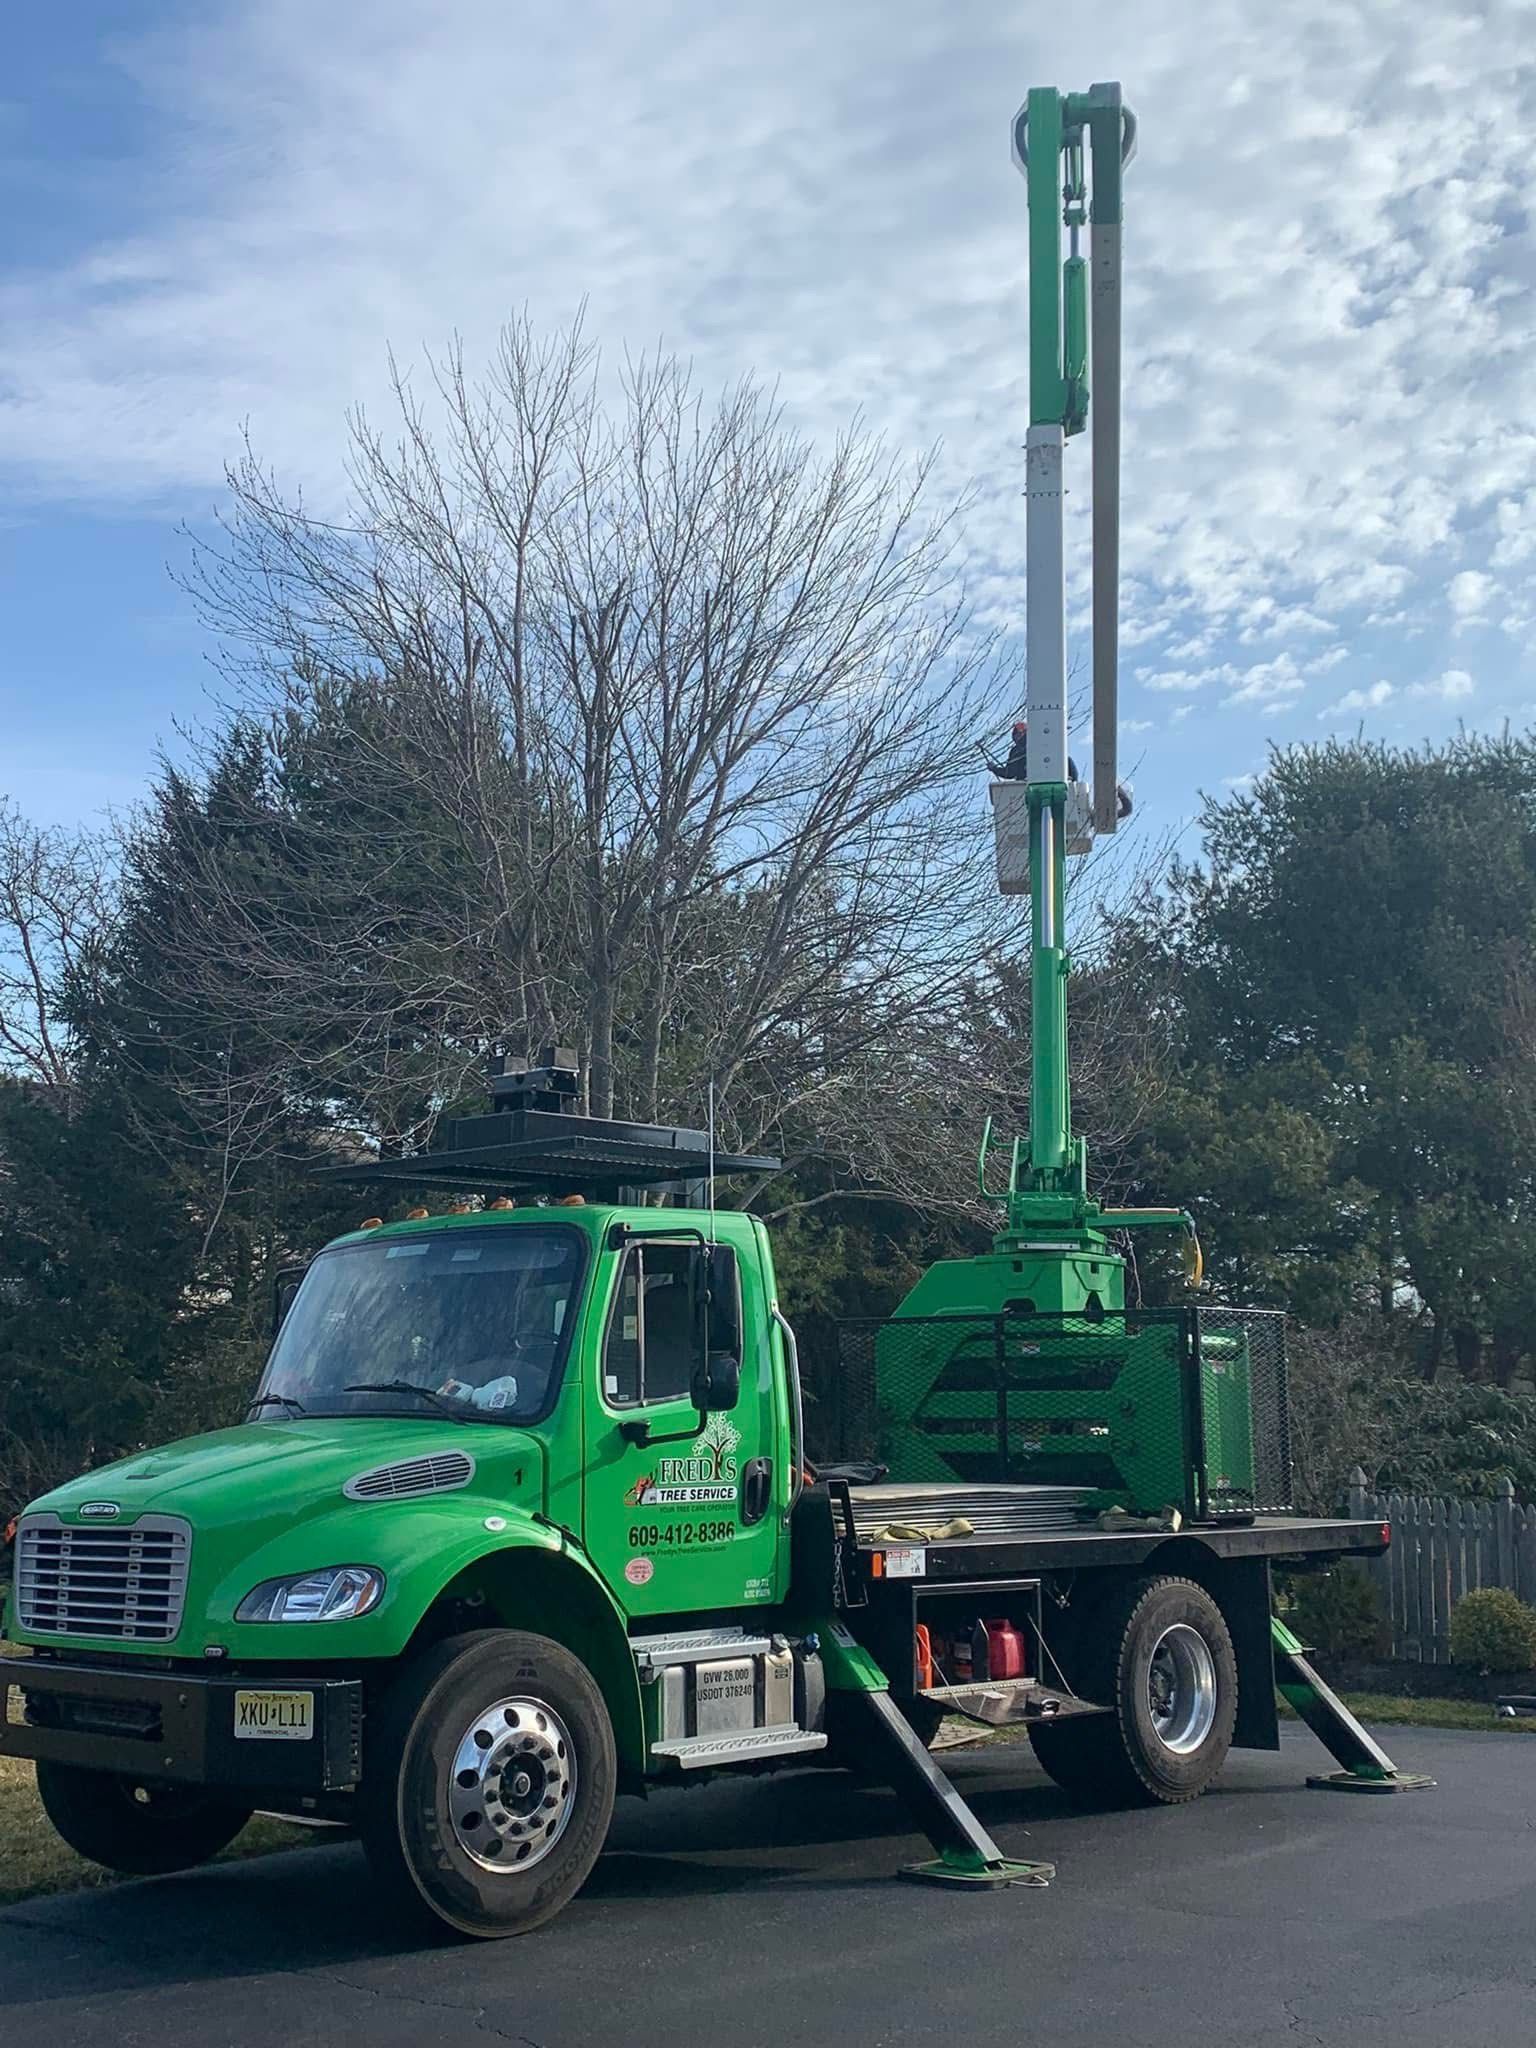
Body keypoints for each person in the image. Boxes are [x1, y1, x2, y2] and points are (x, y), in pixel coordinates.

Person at [997, 721, 1131, 818]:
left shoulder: (1018, 750)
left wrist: (994, 769)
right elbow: (1070, 767)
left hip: (1030, 791)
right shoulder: (1044, 746)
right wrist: (1073, 789)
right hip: (1056, 789)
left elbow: (1009, 773)